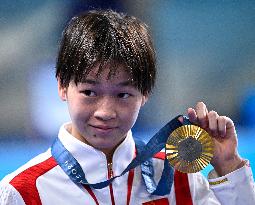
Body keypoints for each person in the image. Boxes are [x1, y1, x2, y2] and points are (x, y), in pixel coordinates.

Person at [0, 9, 254, 205]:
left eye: (123, 94)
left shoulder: (179, 180)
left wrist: (228, 164)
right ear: (62, 86)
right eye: (89, 92)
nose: (106, 111)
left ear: (145, 94)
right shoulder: (23, 191)